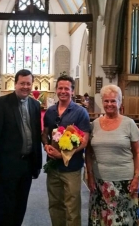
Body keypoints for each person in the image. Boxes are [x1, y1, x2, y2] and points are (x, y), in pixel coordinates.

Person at [0, 69, 42, 226]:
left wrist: (37, 163)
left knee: (21, 204)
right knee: (6, 206)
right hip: (8, 164)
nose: (25, 87)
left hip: (27, 164)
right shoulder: (1, 103)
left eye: (28, 83)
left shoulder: (34, 104)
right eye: (22, 83)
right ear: (15, 83)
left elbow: (36, 134)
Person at [85, 84, 139, 226]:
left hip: (124, 181)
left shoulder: (129, 124)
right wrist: (90, 176)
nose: (109, 104)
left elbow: (138, 152)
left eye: (113, 101)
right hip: (99, 182)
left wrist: (137, 177)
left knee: (122, 221)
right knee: (101, 219)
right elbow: (89, 152)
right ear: (102, 102)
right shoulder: (94, 125)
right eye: (106, 101)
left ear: (120, 102)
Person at [42, 75, 91, 226]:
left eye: (66, 89)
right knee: (55, 204)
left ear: (73, 91)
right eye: (60, 88)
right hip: (53, 167)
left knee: (72, 207)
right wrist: (46, 145)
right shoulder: (50, 111)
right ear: (56, 90)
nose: (63, 91)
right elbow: (45, 133)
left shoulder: (80, 112)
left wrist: (63, 154)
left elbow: (84, 141)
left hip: (72, 168)